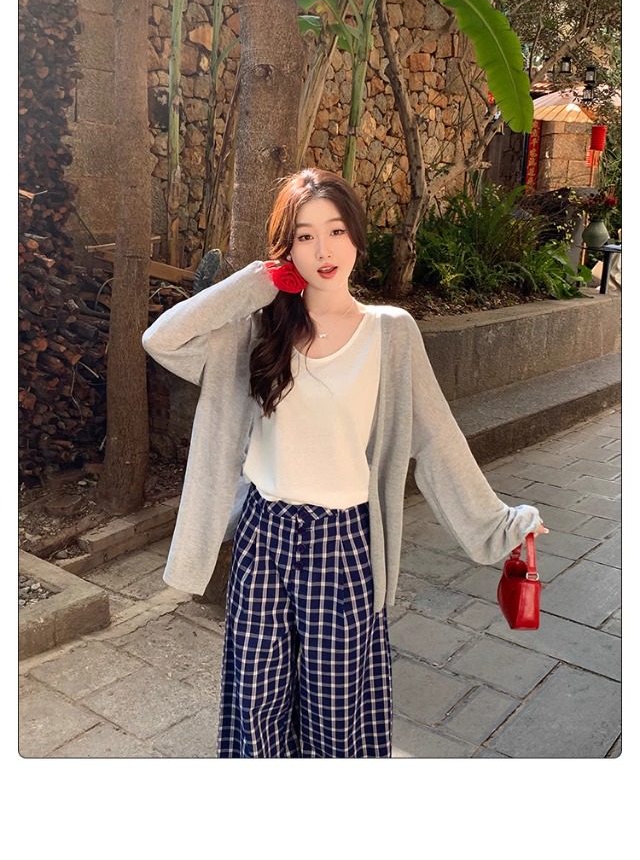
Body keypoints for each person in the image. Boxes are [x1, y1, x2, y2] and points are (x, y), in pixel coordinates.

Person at [142, 168, 547, 759]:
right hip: (264, 535)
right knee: (255, 704)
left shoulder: (390, 333)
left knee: (336, 715)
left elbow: (436, 439)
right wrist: (257, 282)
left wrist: (502, 525)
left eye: (335, 231)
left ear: (357, 236)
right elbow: (161, 339)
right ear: (287, 248)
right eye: (304, 236)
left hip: (344, 543)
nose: (323, 250)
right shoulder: (257, 331)